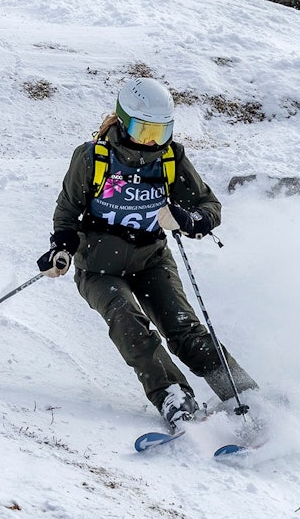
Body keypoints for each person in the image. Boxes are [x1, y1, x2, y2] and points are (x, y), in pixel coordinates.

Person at [37, 77, 258, 428]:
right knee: (129, 323)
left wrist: (188, 218)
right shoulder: (93, 157)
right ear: (123, 122)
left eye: (160, 131)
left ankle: (242, 393)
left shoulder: (170, 158)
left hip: (151, 260)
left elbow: (208, 207)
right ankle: (173, 395)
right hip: (98, 268)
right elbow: (67, 211)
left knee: (184, 329)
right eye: (143, 131)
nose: (151, 141)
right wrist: (61, 248)